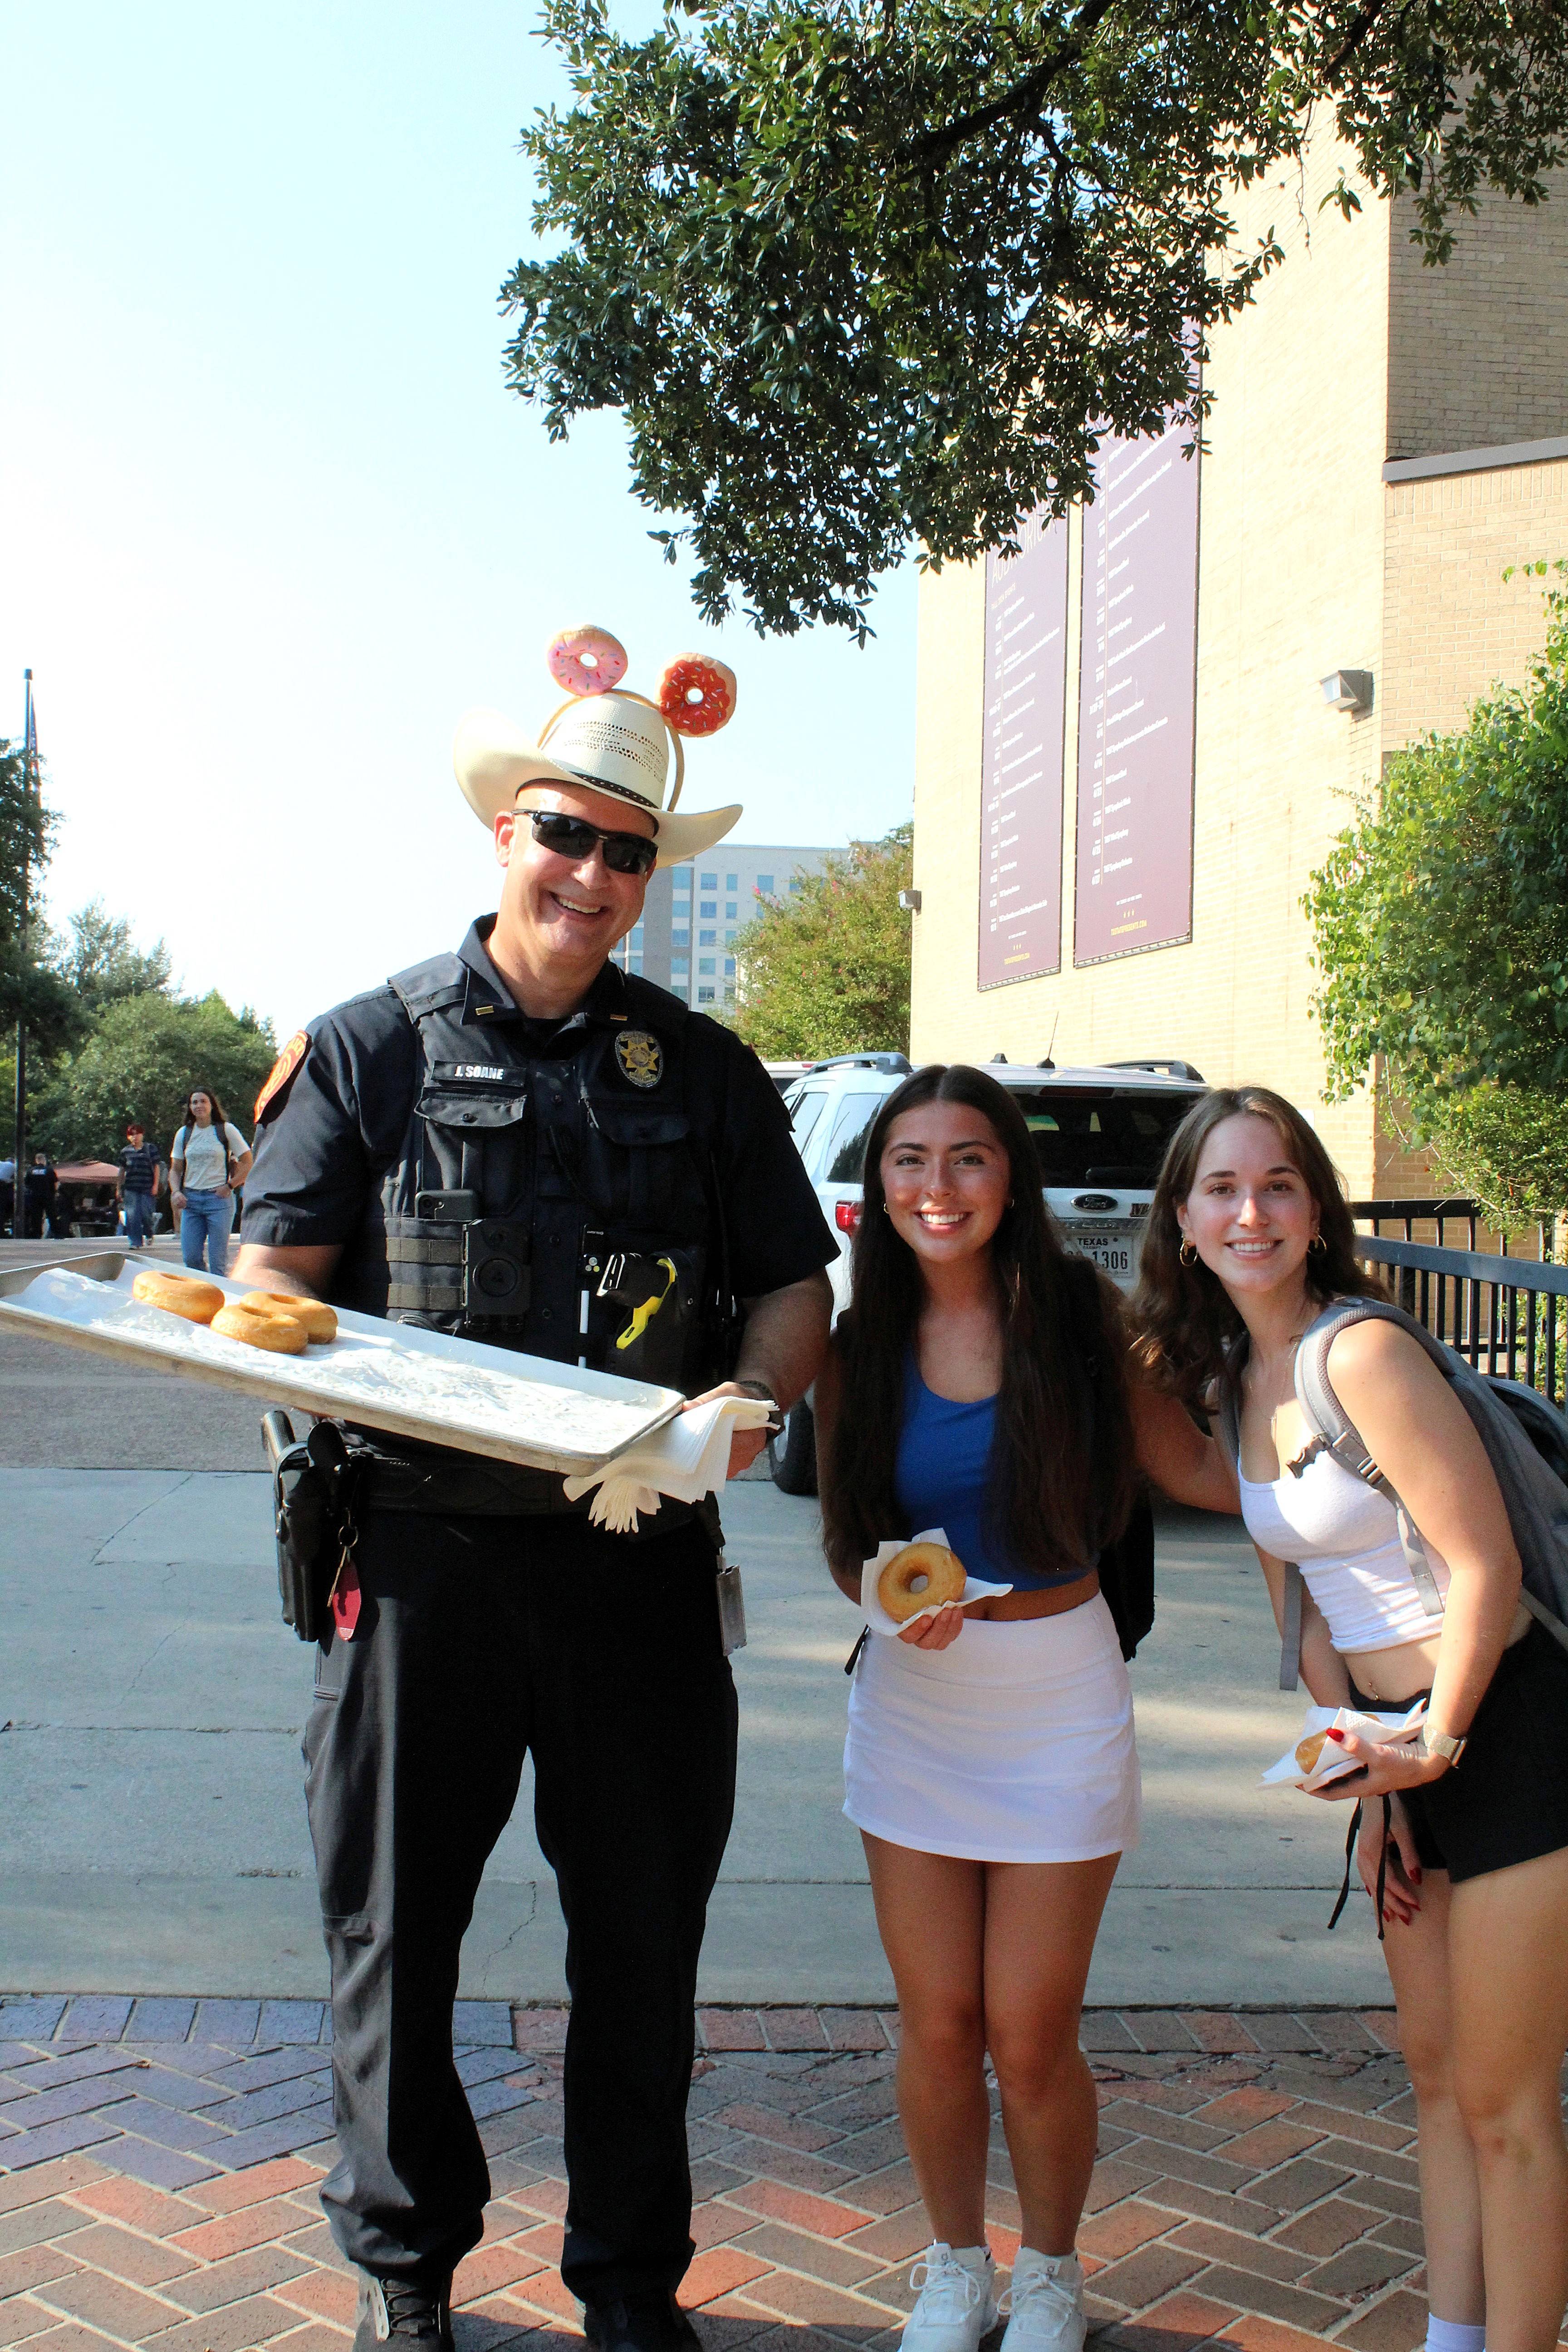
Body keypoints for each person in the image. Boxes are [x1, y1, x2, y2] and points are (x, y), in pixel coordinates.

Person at [231, 643, 836, 2352]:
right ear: (509, 827)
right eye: (568, 832)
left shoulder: (706, 1073)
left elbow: (794, 1285)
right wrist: (344, 1373)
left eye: (631, 851)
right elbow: (275, 1285)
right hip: (420, 1566)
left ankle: (631, 2283)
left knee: (642, 1946)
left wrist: (755, 1398)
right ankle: (404, 2273)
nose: (592, 875)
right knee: (394, 1936)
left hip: (636, 1570)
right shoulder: (368, 1048)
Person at [1133, 1085, 1568, 2352]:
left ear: (1316, 1209)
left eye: (1277, 1185)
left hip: (1514, 1726)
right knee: (1435, 2077)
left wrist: (1434, 1743)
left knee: (1507, 2101)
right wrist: (1374, 1784)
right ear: (1185, 1220)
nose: (1251, 1211)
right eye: (1222, 1189)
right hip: (1401, 1754)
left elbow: (1482, 1568)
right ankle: (1452, 2332)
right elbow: (1313, 1619)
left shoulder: (1360, 1352)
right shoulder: (1236, 1381)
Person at [814, 1064, 1239, 2352]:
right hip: (916, 1707)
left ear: (1011, 1176)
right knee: (939, 2024)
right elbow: (848, 1543)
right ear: (879, 1185)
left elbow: (1194, 1470)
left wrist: (1359, 1469)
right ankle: (954, 2268)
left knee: (1031, 2030)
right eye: (910, 1162)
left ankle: (1048, 2271)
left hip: (1058, 1699)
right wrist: (887, 1600)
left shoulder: (1079, 1313)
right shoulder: (858, 1342)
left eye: (968, 1159)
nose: (937, 1188)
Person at [170, 1088, 250, 1274]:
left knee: (217, 1261)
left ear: (212, 1105)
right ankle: (203, 1291)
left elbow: (248, 1161)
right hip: (191, 1201)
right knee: (191, 1258)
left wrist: (231, 1185)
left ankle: (221, 1295)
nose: (199, 1106)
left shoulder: (226, 1130)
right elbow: (175, 1169)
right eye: (194, 1102)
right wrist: (176, 1192)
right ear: (190, 1107)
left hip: (219, 1200)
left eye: (203, 1101)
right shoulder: (184, 1133)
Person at [117, 1121, 164, 1249]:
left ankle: (149, 1233)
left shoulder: (150, 1149)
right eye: (131, 1135)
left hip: (147, 1187)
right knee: (132, 1216)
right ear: (128, 1137)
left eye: (137, 1134)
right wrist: (119, 1189)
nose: (135, 1137)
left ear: (142, 1135)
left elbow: (157, 1168)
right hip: (131, 1188)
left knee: (146, 1214)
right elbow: (121, 1171)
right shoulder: (125, 1152)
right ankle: (135, 1242)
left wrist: (155, 1185)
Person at [22, 1150, 59, 1240]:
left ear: (36, 1160)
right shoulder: (49, 1170)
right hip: (48, 1196)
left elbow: (26, 1183)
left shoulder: (31, 1171)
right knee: (52, 1215)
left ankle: (36, 1234)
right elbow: (56, 1183)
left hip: (35, 1197)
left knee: (36, 1216)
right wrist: (55, 1192)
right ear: (44, 1160)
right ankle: (57, 1234)